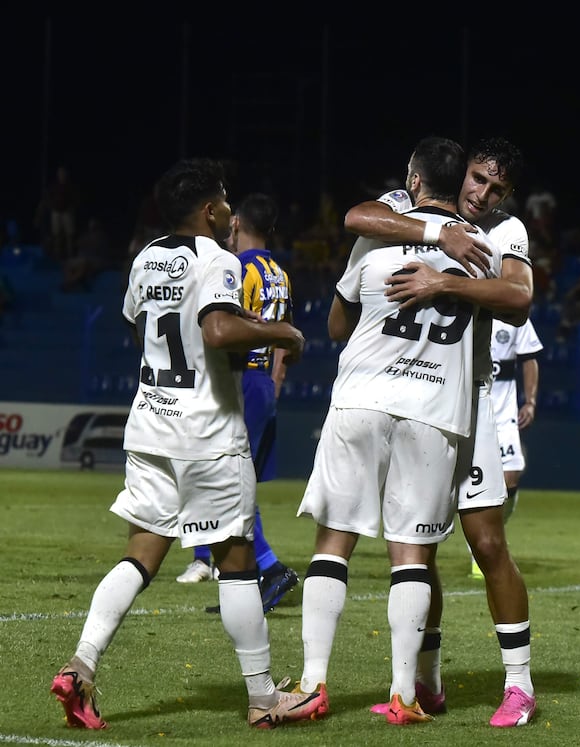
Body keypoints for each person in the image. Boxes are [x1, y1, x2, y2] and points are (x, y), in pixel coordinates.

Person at [49, 157, 324, 730]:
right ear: (208, 210)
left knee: (140, 555)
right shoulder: (217, 258)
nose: (230, 212)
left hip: (151, 425)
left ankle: (81, 665)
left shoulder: (146, 257)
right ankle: (264, 696)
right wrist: (283, 331)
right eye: (225, 202)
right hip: (207, 433)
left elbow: (138, 325)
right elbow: (218, 329)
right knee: (238, 562)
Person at [294, 136, 513, 726]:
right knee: (411, 555)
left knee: (333, 542)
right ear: (460, 182)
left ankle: (313, 684)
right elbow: (513, 300)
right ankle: (404, 695)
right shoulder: (486, 251)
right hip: (434, 412)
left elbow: (339, 323)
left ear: (413, 180)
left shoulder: (379, 234)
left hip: (361, 399)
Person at [178, 192, 300, 616]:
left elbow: (231, 324)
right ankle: (246, 580)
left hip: (241, 379)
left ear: (237, 224)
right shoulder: (279, 273)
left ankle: (267, 567)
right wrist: (276, 380)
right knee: (237, 480)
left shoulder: (238, 268)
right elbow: (283, 331)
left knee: (226, 479)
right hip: (263, 380)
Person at [467, 317, 542, 578]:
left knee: (510, 480)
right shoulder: (466, 307)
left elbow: (530, 358)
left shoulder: (513, 314)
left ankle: (493, 535)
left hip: (503, 414)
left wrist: (530, 401)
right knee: (471, 480)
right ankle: (478, 547)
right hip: (466, 410)